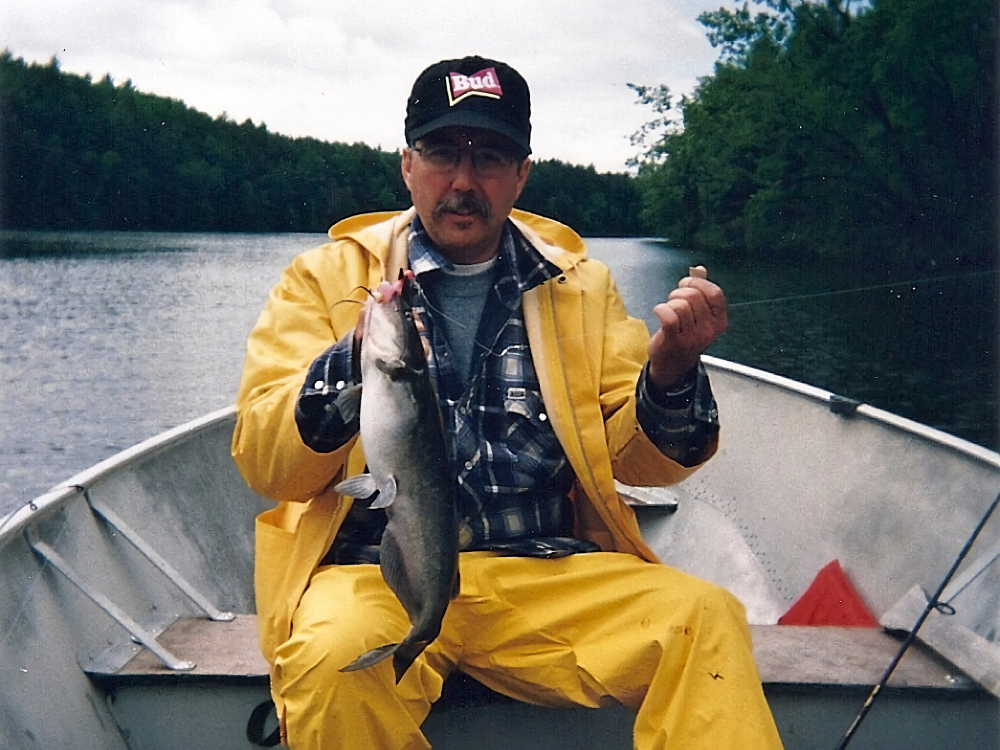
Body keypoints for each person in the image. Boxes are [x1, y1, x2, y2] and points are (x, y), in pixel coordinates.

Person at [232, 56, 783, 750]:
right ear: (407, 165)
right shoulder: (324, 279)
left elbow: (640, 461)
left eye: (489, 157)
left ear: (521, 175)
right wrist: (351, 358)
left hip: (547, 573)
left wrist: (671, 370)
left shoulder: (583, 287)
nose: (463, 181)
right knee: (329, 656)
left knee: (704, 617)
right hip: (377, 576)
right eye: (441, 154)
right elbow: (263, 459)